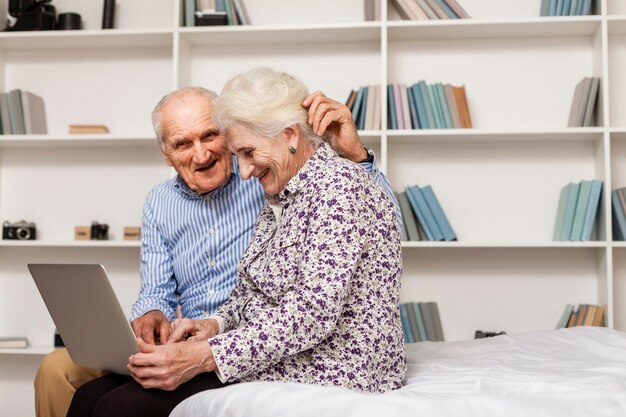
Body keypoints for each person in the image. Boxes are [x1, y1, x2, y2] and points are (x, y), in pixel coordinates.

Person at [35, 85, 397, 417]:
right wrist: (155, 316)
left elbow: (378, 230)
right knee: (70, 382)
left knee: (117, 407)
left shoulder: (271, 179)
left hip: (249, 344)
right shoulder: (164, 201)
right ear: (167, 155)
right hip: (198, 333)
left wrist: (356, 157)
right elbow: (169, 292)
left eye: (211, 136)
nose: (203, 153)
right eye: (183, 143)